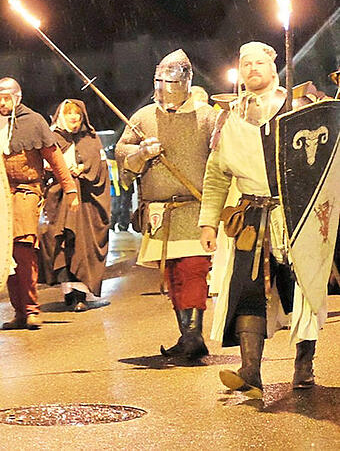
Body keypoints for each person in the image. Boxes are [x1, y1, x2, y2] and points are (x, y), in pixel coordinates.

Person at [199, 41, 326, 397]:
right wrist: (208, 222)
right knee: (248, 292)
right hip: (252, 217)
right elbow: (216, 175)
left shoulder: (301, 107)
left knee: (303, 293)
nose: (252, 68)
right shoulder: (230, 117)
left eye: (259, 62)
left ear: (273, 67)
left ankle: (304, 365)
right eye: (246, 63)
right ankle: (250, 371)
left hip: (297, 212)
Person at [115, 49, 217, 360]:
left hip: (195, 208)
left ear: (187, 81)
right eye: (159, 80)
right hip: (159, 212)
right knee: (172, 274)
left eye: (171, 81)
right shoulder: (143, 118)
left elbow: (222, 160)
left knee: (194, 271)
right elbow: (122, 154)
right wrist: (141, 153)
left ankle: (194, 335)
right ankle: (187, 336)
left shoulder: (208, 116)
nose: (164, 87)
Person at [0, 78, 78, 330]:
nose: (2, 103)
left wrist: (69, 188)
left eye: (7, 97)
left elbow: (54, 157)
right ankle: (19, 312)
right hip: (0, 196)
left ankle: (32, 309)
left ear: (18, 97)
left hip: (27, 191)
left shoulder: (34, 121)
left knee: (23, 249)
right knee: (8, 256)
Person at [42, 99, 111, 311]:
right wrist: (61, 174)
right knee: (62, 245)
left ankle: (81, 294)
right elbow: (45, 167)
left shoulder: (90, 139)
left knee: (82, 246)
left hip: (86, 205)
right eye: (69, 113)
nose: (74, 117)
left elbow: (100, 169)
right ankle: (68, 293)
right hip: (59, 202)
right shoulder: (51, 138)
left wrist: (83, 170)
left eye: (77, 114)